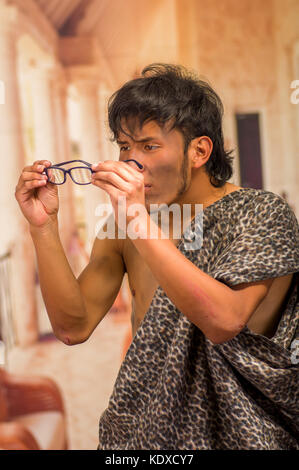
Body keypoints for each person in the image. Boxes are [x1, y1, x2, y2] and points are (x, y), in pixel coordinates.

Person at [15, 63, 299, 450]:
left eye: (149, 146)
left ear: (199, 150)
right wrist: (43, 226)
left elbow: (224, 320)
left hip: (247, 434)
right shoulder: (125, 228)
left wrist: (136, 218)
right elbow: (72, 327)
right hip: (149, 436)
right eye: (124, 146)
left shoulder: (262, 213)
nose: (132, 161)